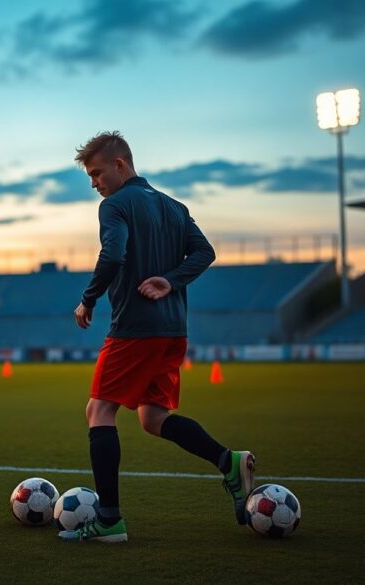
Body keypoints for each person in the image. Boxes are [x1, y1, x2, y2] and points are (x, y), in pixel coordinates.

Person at [60, 131, 255, 543]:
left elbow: (113, 254)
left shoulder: (115, 206)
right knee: (153, 418)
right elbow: (205, 253)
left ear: (120, 165)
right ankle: (228, 461)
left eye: (97, 173)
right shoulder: (174, 206)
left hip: (135, 329)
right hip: (172, 330)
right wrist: (171, 280)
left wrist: (88, 299)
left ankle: (109, 521)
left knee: (99, 410)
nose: (94, 183)